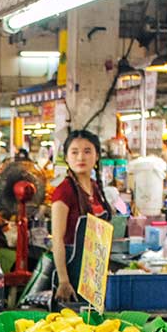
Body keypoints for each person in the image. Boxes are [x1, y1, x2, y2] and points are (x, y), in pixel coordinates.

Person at [50, 130, 114, 303]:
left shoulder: (96, 188)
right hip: (72, 273)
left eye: (87, 151)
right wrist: (64, 281)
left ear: (97, 156)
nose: (81, 158)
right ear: (66, 157)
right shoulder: (63, 192)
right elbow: (57, 240)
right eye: (74, 152)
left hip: (94, 272)